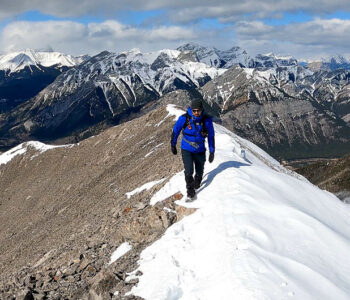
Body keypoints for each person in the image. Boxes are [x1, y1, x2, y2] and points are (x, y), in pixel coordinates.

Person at [171, 99, 215, 199]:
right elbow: (175, 131)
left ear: (201, 110)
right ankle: (190, 189)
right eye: (194, 110)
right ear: (191, 109)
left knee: (199, 171)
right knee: (189, 170)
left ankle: (198, 181)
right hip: (186, 149)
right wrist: (173, 145)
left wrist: (212, 151)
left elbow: (211, 136)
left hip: (200, 149)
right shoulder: (184, 119)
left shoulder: (206, 121)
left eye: (198, 110)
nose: (196, 113)